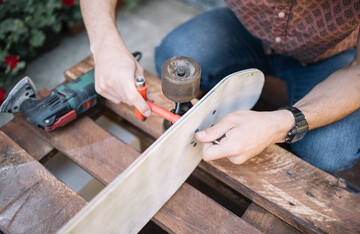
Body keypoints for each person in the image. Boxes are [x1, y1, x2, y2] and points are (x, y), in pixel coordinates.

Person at [80, 0, 360, 173]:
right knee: (177, 53)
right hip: (252, 30)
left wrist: (284, 121)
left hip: (335, 52)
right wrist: (105, 45)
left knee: (329, 149)